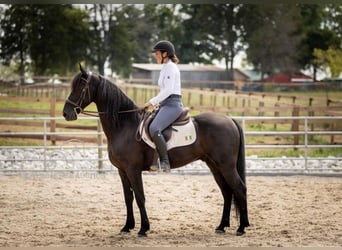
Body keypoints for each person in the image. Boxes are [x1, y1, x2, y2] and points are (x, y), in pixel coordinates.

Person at [142, 40, 183, 172]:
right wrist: (157, 103)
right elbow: (163, 92)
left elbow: (168, 90)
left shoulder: (171, 67)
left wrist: (151, 102)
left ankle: (165, 162)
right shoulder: (165, 67)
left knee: (154, 128)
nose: (156, 56)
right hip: (166, 104)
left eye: (157, 53)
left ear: (165, 54)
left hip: (173, 104)